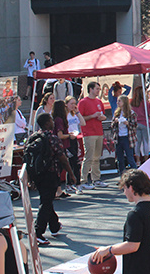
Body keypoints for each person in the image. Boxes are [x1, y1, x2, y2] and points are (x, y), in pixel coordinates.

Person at [90, 169, 150, 274]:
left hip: (139, 269)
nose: (124, 192)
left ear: (131, 188)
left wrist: (108, 250)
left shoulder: (136, 213)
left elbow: (132, 245)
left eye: (124, 188)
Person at [30, 113, 77, 245]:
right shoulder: (52, 138)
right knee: (45, 202)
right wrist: (71, 174)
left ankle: (55, 226)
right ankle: (38, 232)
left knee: (47, 199)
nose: (53, 121)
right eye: (51, 120)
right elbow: (62, 158)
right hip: (50, 174)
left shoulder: (33, 137)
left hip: (38, 174)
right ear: (46, 123)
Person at [78, 82, 107, 191]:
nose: (98, 91)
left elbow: (103, 115)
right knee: (89, 157)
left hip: (99, 131)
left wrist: (102, 117)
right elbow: (80, 118)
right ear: (90, 89)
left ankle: (96, 178)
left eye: (99, 89)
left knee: (97, 157)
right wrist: (92, 116)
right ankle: (84, 180)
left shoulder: (99, 101)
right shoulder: (83, 102)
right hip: (88, 132)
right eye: (97, 89)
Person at [112, 95, 138, 173]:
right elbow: (112, 125)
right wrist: (115, 121)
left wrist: (127, 123)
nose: (117, 103)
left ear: (124, 102)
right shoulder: (117, 113)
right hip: (119, 137)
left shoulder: (131, 113)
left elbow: (134, 126)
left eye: (119, 101)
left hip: (127, 137)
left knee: (130, 157)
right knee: (120, 159)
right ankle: (122, 176)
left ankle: (136, 175)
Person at [130, 88, 150, 165]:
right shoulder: (145, 103)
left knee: (137, 143)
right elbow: (149, 113)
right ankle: (146, 160)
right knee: (146, 142)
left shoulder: (132, 103)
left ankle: (138, 160)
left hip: (136, 124)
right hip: (145, 123)